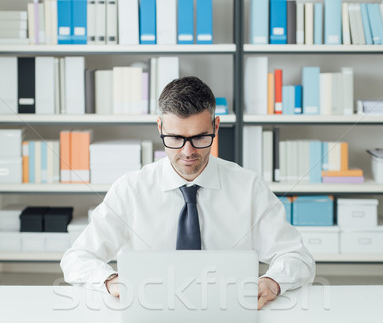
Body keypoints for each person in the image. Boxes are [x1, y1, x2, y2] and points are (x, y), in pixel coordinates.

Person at [60, 76, 315, 310]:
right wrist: (110, 280)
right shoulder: (131, 189)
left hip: (228, 315)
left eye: (200, 137)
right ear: (159, 127)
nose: (188, 151)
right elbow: (77, 258)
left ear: (216, 126)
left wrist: (272, 281)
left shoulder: (248, 187)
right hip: (151, 316)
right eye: (175, 138)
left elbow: (297, 256)